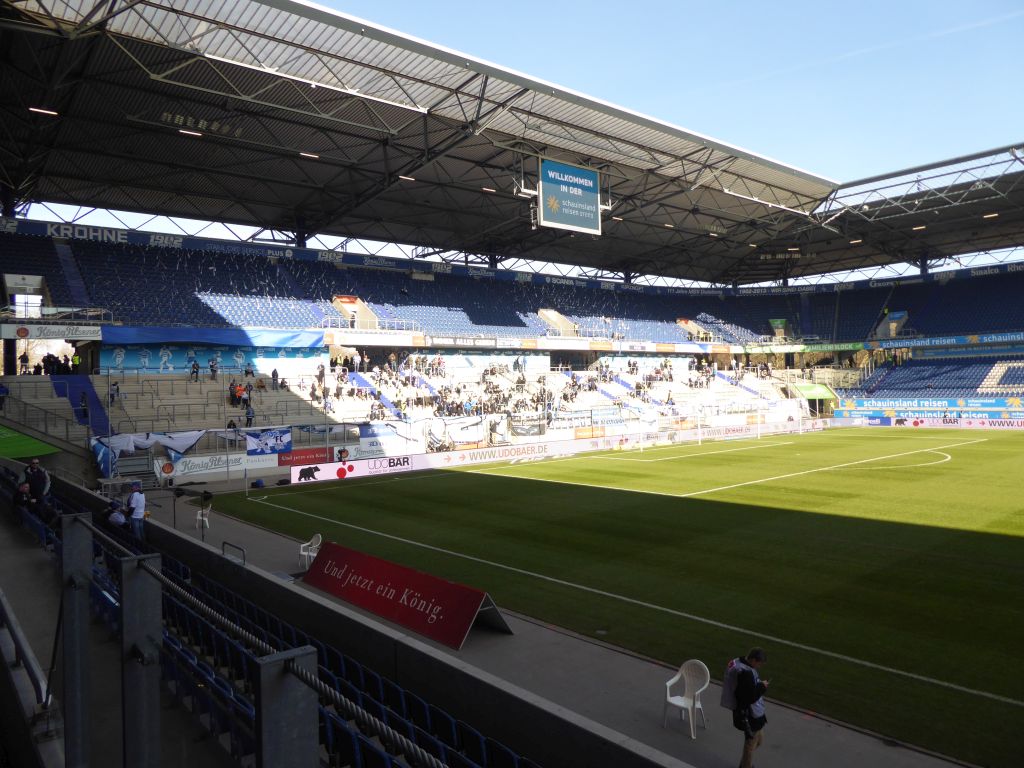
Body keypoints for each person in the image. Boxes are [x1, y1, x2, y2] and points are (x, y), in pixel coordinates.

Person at [721, 648, 769, 768]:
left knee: (758, 741)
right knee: (750, 745)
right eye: (759, 664)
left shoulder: (739, 662)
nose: (759, 667)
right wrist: (762, 687)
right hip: (750, 714)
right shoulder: (745, 673)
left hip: (749, 712)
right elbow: (749, 697)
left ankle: (744, 764)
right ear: (753, 660)